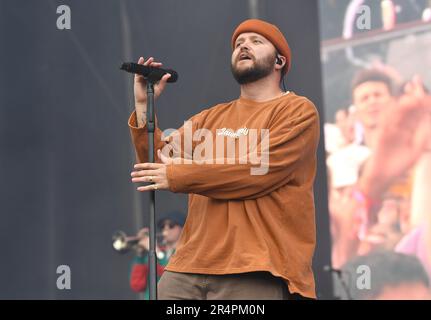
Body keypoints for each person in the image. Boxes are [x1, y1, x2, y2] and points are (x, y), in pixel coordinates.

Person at [128, 19, 320, 299]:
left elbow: (259, 170)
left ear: (279, 61)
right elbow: (157, 161)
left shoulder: (297, 111)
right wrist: (144, 105)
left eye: (256, 41)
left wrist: (179, 175)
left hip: (255, 267)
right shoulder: (210, 117)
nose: (244, 46)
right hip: (187, 268)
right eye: (239, 43)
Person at [129, 211, 184, 299]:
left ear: (183, 229)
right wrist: (140, 255)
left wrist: (156, 251)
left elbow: (171, 278)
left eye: (171, 225)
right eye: (163, 226)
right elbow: (137, 285)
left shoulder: (185, 254)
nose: (165, 229)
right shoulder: (153, 253)